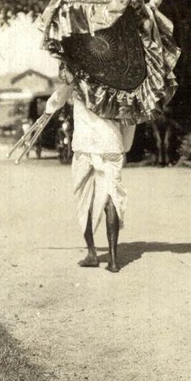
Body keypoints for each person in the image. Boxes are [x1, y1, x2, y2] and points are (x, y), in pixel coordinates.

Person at [45, 66, 135, 273]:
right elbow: (130, 120)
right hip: (111, 143)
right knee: (112, 195)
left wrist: (48, 109)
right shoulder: (121, 78)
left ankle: (92, 253)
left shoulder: (79, 72)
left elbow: (57, 99)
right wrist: (125, 146)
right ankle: (113, 260)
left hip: (85, 145)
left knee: (85, 195)